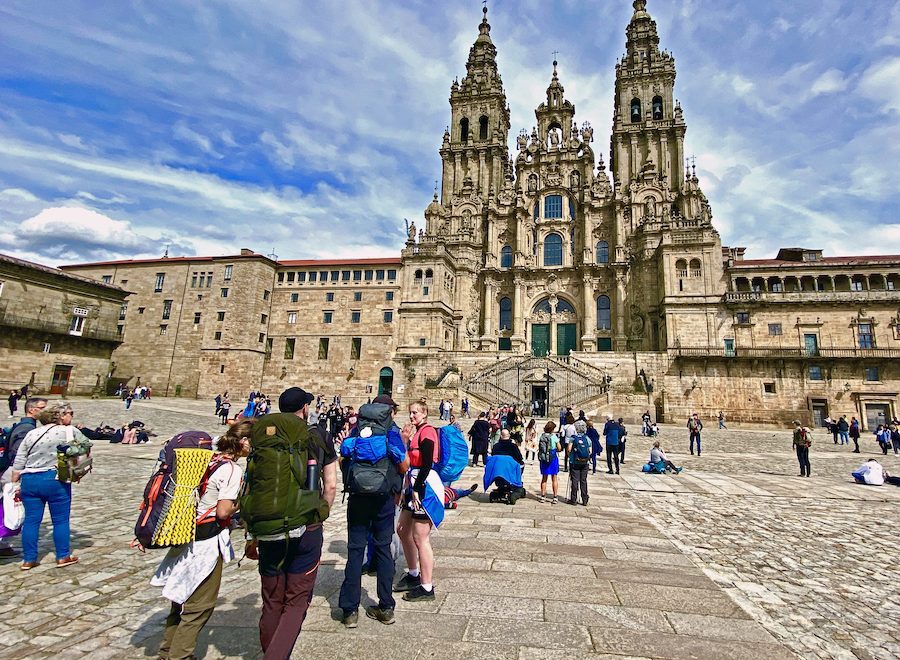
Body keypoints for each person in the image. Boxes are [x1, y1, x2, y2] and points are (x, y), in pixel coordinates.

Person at [245, 387, 337, 660]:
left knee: (272, 599)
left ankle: (270, 651)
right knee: (296, 601)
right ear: (305, 408)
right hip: (306, 526)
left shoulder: (262, 435)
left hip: (268, 527)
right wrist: (320, 515)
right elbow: (330, 485)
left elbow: (252, 486)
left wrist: (252, 534)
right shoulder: (318, 435)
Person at [151, 421, 251, 660]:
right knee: (199, 606)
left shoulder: (207, 459)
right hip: (206, 541)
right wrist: (243, 503)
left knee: (180, 599)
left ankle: (167, 651)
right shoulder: (231, 470)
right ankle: (180, 656)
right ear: (244, 442)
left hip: (185, 533)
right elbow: (223, 512)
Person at [338, 395, 408, 628]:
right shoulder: (391, 432)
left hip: (358, 497)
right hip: (383, 498)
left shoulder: (357, 430)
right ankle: (386, 607)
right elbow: (405, 464)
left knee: (355, 550)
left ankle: (349, 611)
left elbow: (343, 458)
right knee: (383, 549)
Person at [11, 402, 85, 569]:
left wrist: (15, 482)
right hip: (54, 478)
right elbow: (85, 445)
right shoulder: (68, 431)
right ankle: (62, 556)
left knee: (31, 521)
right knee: (60, 520)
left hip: (29, 479)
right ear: (60, 416)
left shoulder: (32, 433)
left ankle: (29, 560)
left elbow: (20, 459)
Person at [394, 401, 442, 602]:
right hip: (412, 485)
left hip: (424, 486)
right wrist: (404, 440)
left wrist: (417, 488)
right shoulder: (417, 432)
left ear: (424, 413)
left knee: (420, 537)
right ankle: (414, 574)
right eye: (410, 412)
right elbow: (410, 462)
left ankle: (427, 586)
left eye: (415, 412)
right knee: (403, 530)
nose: (412, 415)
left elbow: (427, 462)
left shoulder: (428, 432)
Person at [0, 396, 48, 557]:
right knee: (8, 507)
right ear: (32, 410)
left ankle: (4, 543)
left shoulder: (28, 426)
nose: (45, 411)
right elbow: (19, 453)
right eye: (42, 408)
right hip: (15, 472)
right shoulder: (26, 428)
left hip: (15, 470)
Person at [567, 420, 591, 506]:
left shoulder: (573, 438)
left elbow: (569, 449)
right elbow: (590, 451)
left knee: (575, 480)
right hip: (585, 463)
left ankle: (573, 499)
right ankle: (584, 499)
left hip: (575, 462)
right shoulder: (587, 439)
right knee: (583, 481)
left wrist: (570, 456)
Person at [537, 422, 561, 503]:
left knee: (544, 478)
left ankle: (543, 496)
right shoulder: (554, 437)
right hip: (552, 458)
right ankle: (555, 497)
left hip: (544, 459)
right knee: (554, 478)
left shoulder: (542, 436)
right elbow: (559, 448)